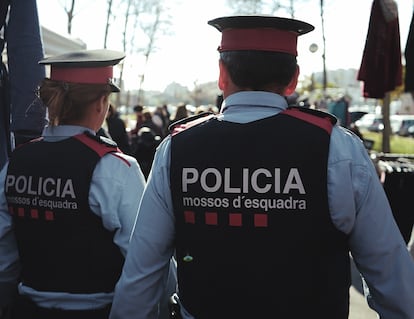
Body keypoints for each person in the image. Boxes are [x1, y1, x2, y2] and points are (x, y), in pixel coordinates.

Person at [109, 15, 414, 319]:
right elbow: (388, 268)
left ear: (221, 75)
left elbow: (142, 272)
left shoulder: (177, 148)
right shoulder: (337, 148)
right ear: (294, 78)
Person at [0, 49, 146, 318]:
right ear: (101, 103)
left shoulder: (16, 162)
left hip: (26, 308)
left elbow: (4, 252)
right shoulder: (114, 167)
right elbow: (143, 262)